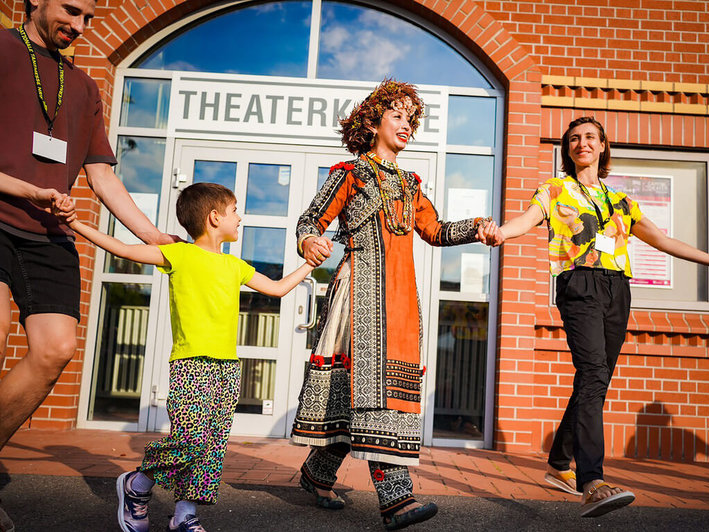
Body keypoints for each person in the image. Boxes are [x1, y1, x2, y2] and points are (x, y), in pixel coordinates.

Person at [480, 116, 709, 517]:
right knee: (593, 373)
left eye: (590, 137)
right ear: (568, 150)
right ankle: (591, 480)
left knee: (596, 378)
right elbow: (529, 218)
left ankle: (559, 463)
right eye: (574, 139)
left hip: (617, 289)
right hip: (580, 285)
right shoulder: (555, 189)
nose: (582, 143)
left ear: (603, 146)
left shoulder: (621, 201)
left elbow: (661, 239)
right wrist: (502, 233)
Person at [54, 182, 320, 531]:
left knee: (211, 446)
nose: (240, 218)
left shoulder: (234, 265)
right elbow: (120, 248)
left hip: (228, 367)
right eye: (235, 210)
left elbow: (278, 288)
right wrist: (75, 224)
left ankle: (185, 516)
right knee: (190, 440)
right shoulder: (178, 255)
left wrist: (310, 264)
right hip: (191, 364)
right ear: (214, 217)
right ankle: (137, 485)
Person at [0, 2, 176, 529]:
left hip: (49, 231)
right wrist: (25, 188)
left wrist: (152, 235)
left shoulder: (82, 85)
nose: (77, 27)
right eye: (70, 11)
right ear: (35, 0)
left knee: (56, 349)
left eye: (88, 19)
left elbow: (101, 176)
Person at [290, 79, 490, 531]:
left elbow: (436, 231)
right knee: (370, 393)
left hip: (401, 301)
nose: (405, 125)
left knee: (365, 397)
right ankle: (396, 499)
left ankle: (317, 471)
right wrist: (309, 240)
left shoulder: (410, 183)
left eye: (410, 119)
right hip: (359, 294)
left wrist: (478, 227)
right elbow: (310, 218)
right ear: (374, 121)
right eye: (396, 116)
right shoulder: (350, 173)